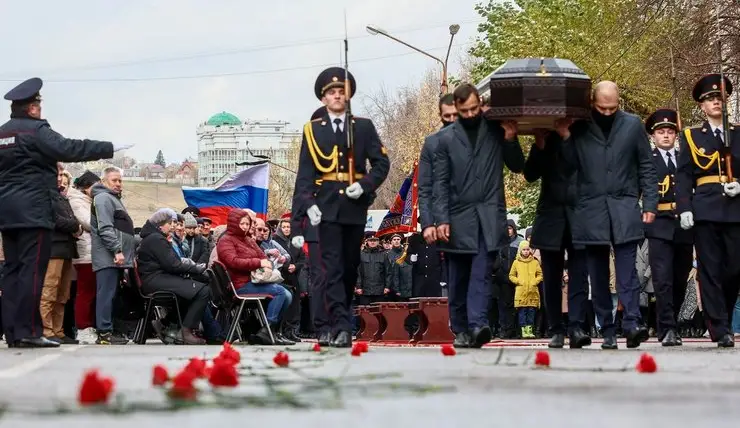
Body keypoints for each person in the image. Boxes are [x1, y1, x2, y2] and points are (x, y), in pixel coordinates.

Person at [0, 78, 128, 348]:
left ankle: (13, 331)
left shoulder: (3, 134)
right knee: (33, 273)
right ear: (33, 108)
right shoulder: (36, 130)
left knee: (12, 272)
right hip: (34, 212)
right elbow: (68, 148)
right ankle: (31, 331)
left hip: (8, 213)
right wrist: (107, 147)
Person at [290, 67, 390, 348]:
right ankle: (340, 327)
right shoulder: (312, 131)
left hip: (354, 207)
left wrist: (367, 185)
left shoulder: (364, 127)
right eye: (332, 92)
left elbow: (381, 164)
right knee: (330, 268)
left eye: (341, 92)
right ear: (324, 98)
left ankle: (339, 322)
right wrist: (306, 208)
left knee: (347, 268)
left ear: (348, 97)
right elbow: (305, 176)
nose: (337, 96)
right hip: (325, 209)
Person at [556, 80, 658, 349]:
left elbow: (646, 166)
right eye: (602, 108)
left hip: (624, 206)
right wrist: (565, 138)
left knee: (628, 270)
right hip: (591, 210)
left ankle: (633, 323)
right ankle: (608, 329)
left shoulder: (633, 124)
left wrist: (649, 204)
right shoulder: (579, 125)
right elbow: (567, 165)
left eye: (612, 108)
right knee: (598, 274)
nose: (607, 113)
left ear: (619, 102)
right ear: (593, 102)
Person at [433, 82, 524, 348]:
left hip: (488, 216)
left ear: (479, 104)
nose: (471, 114)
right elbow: (439, 183)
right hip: (457, 218)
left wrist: (510, 138)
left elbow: (517, 165)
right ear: (457, 109)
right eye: (465, 110)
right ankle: (461, 328)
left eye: (475, 108)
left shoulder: (495, 128)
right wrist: (440, 219)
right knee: (459, 277)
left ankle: (478, 325)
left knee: (482, 272)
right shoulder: (446, 139)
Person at [676, 73, 740, 348]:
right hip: (704, 208)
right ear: (702, 106)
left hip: (735, 208)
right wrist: (685, 208)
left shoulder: (738, 133)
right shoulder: (691, 136)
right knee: (710, 269)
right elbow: (684, 176)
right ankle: (720, 326)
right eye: (710, 99)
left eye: (719, 97)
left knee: (735, 269)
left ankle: (722, 314)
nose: (716, 102)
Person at [523, 131, 590, 348]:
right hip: (551, 217)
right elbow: (530, 174)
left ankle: (577, 326)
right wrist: (539, 146)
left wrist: (568, 136)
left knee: (579, 274)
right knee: (551, 277)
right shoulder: (548, 140)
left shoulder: (584, 137)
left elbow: (584, 168)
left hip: (579, 213)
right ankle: (556, 329)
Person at [643, 108, 694, 346]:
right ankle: (668, 327)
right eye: (661, 132)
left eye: (670, 132)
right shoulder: (647, 161)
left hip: (684, 225)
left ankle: (669, 322)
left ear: (676, 135)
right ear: (653, 136)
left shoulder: (685, 158)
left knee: (680, 278)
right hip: (659, 224)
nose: (665, 136)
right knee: (662, 279)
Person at [136, 208, 222, 345]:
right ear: (160, 225)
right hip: (156, 280)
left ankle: (167, 323)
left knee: (192, 288)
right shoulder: (156, 239)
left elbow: (172, 262)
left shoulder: (155, 238)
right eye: (170, 223)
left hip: (156, 278)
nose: (173, 226)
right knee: (203, 290)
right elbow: (173, 265)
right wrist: (196, 268)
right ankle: (186, 331)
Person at [218, 208, 293, 345]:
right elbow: (233, 262)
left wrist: (265, 262)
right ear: (234, 223)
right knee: (280, 292)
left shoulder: (248, 240)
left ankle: (271, 331)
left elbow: (262, 255)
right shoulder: (226, 241)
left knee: (288, 294)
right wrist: (258, 263)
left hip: (253, 281)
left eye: (247, 224)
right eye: (242, 224)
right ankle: (267, 330)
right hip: (239, 285)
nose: (246, 227)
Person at [91, 166, 136, 345]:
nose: (118, 184)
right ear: (104, 182)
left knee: (111, 295)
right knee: (106, 295)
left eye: (120, 180)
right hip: (108, 257)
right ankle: (104, 333)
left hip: (116, 258)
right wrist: (117, 250)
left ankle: (109, 331)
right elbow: (105, 228)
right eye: (114, 180)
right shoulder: (103, 199)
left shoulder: (113, 199)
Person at [418, 94, 457, 244]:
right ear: (440, 115)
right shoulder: (432, 143)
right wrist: (427, 223)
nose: (452, 120)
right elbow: (425, 187)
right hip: (443, 219)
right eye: (447, 115)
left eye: (456, 115)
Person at [509, 240, 542, 338]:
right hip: (521, 292)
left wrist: (535, 282)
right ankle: (523, 330)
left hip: (532, 292)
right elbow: (511, 275)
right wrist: (518, 281)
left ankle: (529, 330)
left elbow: (540, 274)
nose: (526, 252)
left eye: (528, 249)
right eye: (524, 250)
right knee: (522, 313)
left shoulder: (535, 262)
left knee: (531, 313)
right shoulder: (516, 263)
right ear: (520, 251)